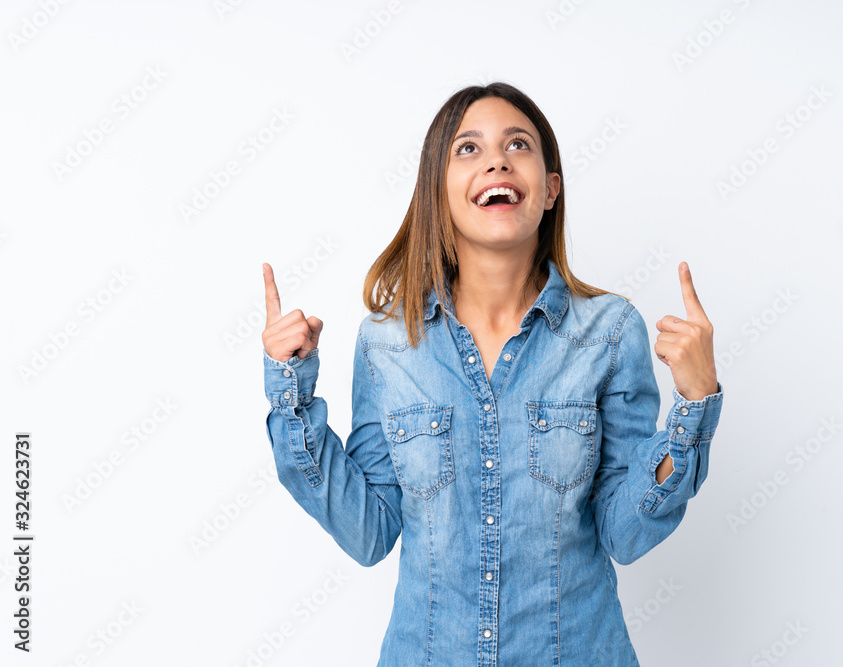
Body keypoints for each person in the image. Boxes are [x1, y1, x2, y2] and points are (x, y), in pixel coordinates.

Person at [260, 81, 724, 666]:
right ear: (439, 192)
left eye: (519, 144)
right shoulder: (387, 341)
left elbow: (625, 532)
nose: (497, 159)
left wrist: (694, 404)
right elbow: (368, 532)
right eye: (468, 149)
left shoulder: (608, 332)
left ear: (550, 189)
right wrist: (290, 392)